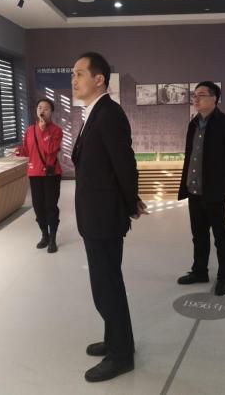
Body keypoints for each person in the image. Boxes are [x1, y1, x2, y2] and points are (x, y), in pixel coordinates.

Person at [71, 52, 147, 382]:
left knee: (107, 286)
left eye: (79, 74)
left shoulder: (109, 114)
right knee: (105, 282)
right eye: (73, 74)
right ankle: (115, 338)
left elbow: (124, 164)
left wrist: (131, 203)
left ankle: (121, 355)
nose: (74, 80)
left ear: (99, 79)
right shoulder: (95, 112)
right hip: (96, 214)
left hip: (104, 217)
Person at [177, 81, 225, 296]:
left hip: (215, 192)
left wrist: (224, 180)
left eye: (201, 95)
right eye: (194, 95)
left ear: (215, 98)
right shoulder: (193, 124)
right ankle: (199, 272)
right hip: (194, 190)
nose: (196, 99)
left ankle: (224, 278)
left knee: (221, 236)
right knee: (199, 235)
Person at [16, 98, 63, 253]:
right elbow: (27, 150)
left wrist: (43, 132)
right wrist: (17, 151)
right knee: (38, 207)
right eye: (39, 108)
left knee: (50, 206)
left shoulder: (56, 130)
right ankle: (45, 235)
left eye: (46, 108)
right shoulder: (30, 130)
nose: (42, 111)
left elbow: (51, 150)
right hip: (34, 173)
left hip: (51, 174)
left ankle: (53, 238)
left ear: (51, 112)